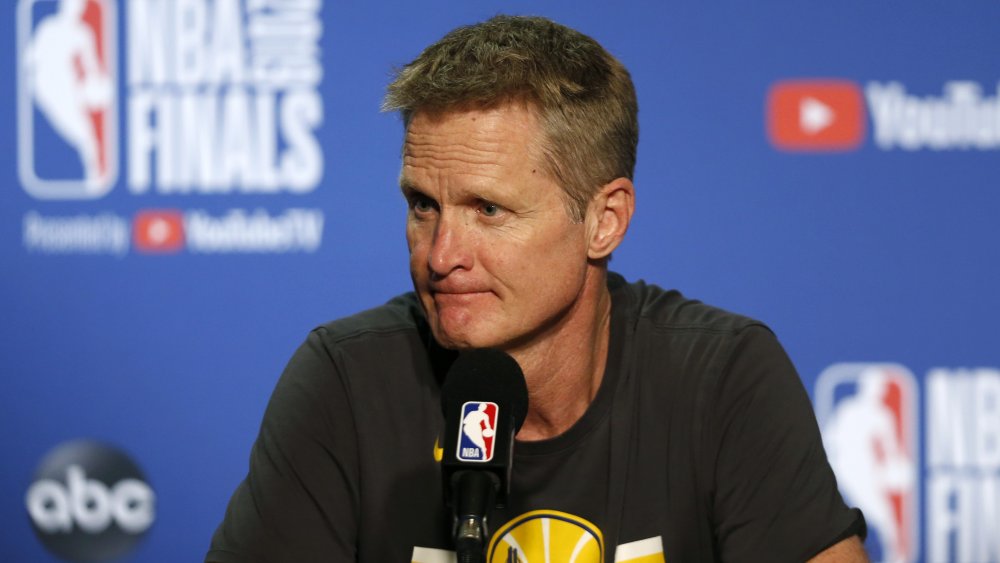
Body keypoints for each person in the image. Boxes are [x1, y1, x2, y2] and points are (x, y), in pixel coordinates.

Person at [207, 15, 866, 562]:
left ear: (603, 221)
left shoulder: (723, 380)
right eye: (422, 205)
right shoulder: (346, 383)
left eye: (488, 209)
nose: (441, 255)